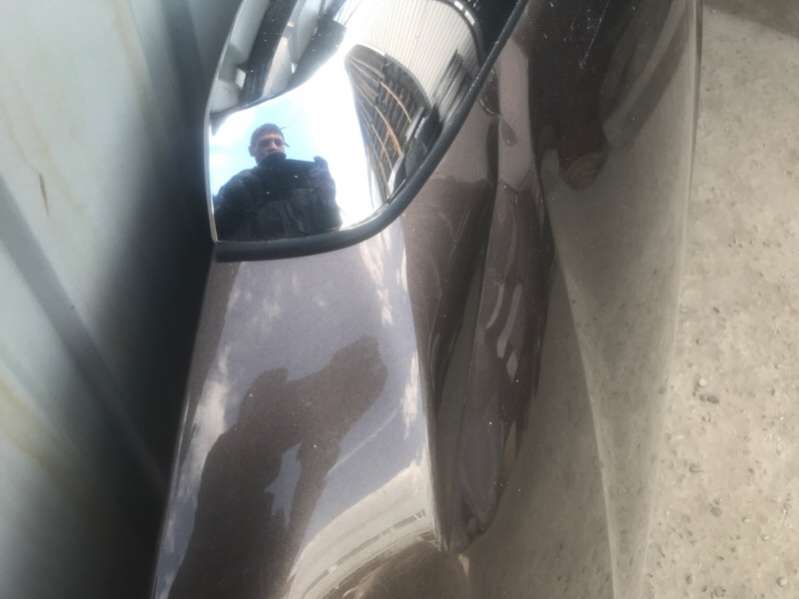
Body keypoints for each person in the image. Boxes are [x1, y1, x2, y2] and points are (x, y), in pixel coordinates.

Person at [214, 124, 340, 241]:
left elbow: (332, 226)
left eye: (278, 142)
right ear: (251, 150)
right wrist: (231, 207)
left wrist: (328, 198)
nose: (273, 147)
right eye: (264, 143)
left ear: (284, 147)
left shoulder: (309, 180)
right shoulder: (238, 184)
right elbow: (217, 233)